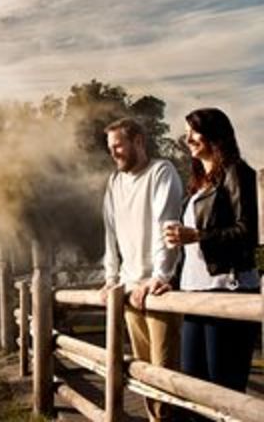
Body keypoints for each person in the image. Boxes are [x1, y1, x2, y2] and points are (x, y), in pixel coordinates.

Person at [163, 108, 259, 412]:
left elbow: (246, 233)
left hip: (227, 290)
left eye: (194, 131)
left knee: (225, 390)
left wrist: (198, 235)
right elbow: (188, 252)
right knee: (194, 387)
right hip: (194, 293)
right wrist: (168, 281)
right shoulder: (198, 183)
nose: (187, 138)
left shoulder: (237, 171)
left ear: (215, 134)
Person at [100, 117, 184, 422]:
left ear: (138, 141)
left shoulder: (162, 172)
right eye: (111, 147)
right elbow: (110, 234)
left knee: (165, 370)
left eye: (118, 145)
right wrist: (112, 279)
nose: (114, 153)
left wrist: (160, 275)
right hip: (130, 287)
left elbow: (167, 224)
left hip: (157, 290)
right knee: (143, 372)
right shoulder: (114, 182)